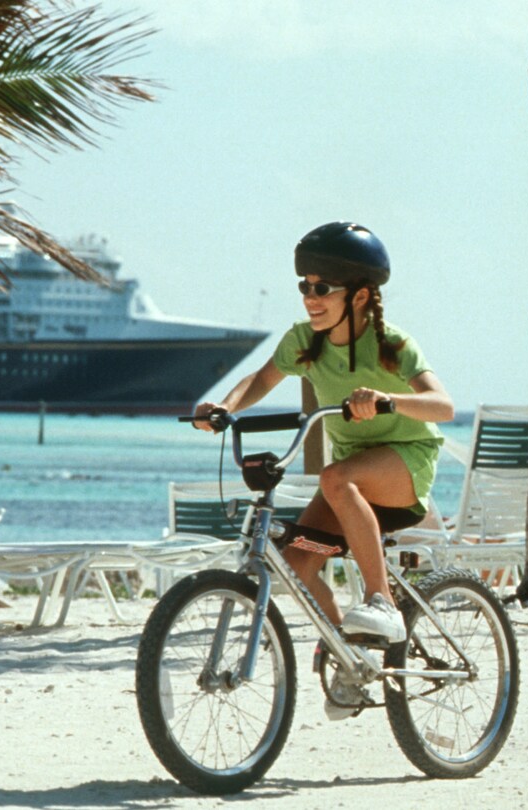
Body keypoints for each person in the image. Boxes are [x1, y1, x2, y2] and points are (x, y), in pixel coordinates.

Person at [192, 221, 454, 721]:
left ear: (359, 296)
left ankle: (381, 602)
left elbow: (442, 406)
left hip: (403, 467)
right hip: (350, 484)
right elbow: (262, 378)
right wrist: (223, 407)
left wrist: (385, 400)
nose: (310, 297)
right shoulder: (304, 342)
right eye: (304, 286)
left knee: (337, 477)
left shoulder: (391, 343)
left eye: (322, 288)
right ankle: (349, 661)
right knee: (298, 563)